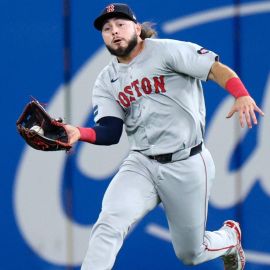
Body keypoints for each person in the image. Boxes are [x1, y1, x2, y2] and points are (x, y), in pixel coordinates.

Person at [65, 3, 264, 270]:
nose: (114, 31)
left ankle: (229, 238)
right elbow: (111, 131)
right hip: (141, 163)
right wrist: (80, 132)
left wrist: (241, 94)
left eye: (120, 24)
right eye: (107, 28)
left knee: (191, 254)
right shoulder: (106, 80)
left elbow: (215, 68)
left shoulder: (167, 51)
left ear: (137, 28)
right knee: (109, 222)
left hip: (187, 161)